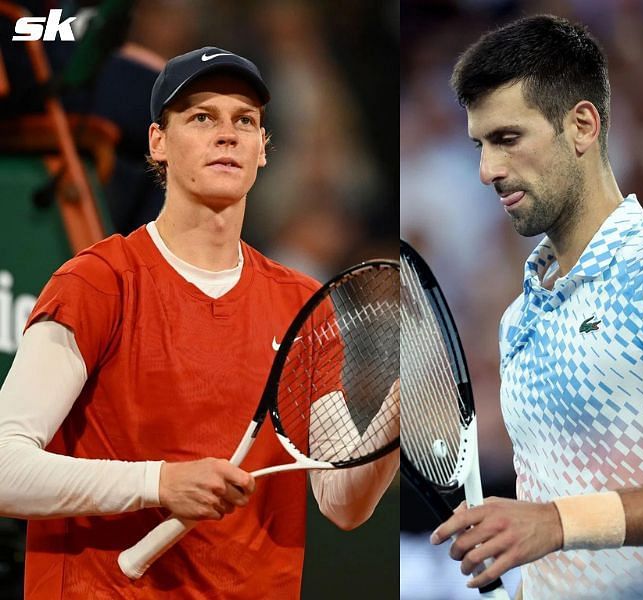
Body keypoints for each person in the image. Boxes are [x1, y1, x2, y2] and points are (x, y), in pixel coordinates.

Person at [0, 47, 399, 599]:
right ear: (157, 142)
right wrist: (158, 483)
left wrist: (397, 412)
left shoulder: (303, 303)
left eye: (246, 121)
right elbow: (4, 466)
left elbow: (343, 502)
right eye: (202, 117)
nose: (228, 134)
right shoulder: (96, 282)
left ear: (263, 151)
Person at [429, 15, 643, 599]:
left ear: (582, 126)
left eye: (508, 139)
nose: (487, 170)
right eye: (481, 145)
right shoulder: (519, 318)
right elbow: (551, 546)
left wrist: (557, 523)